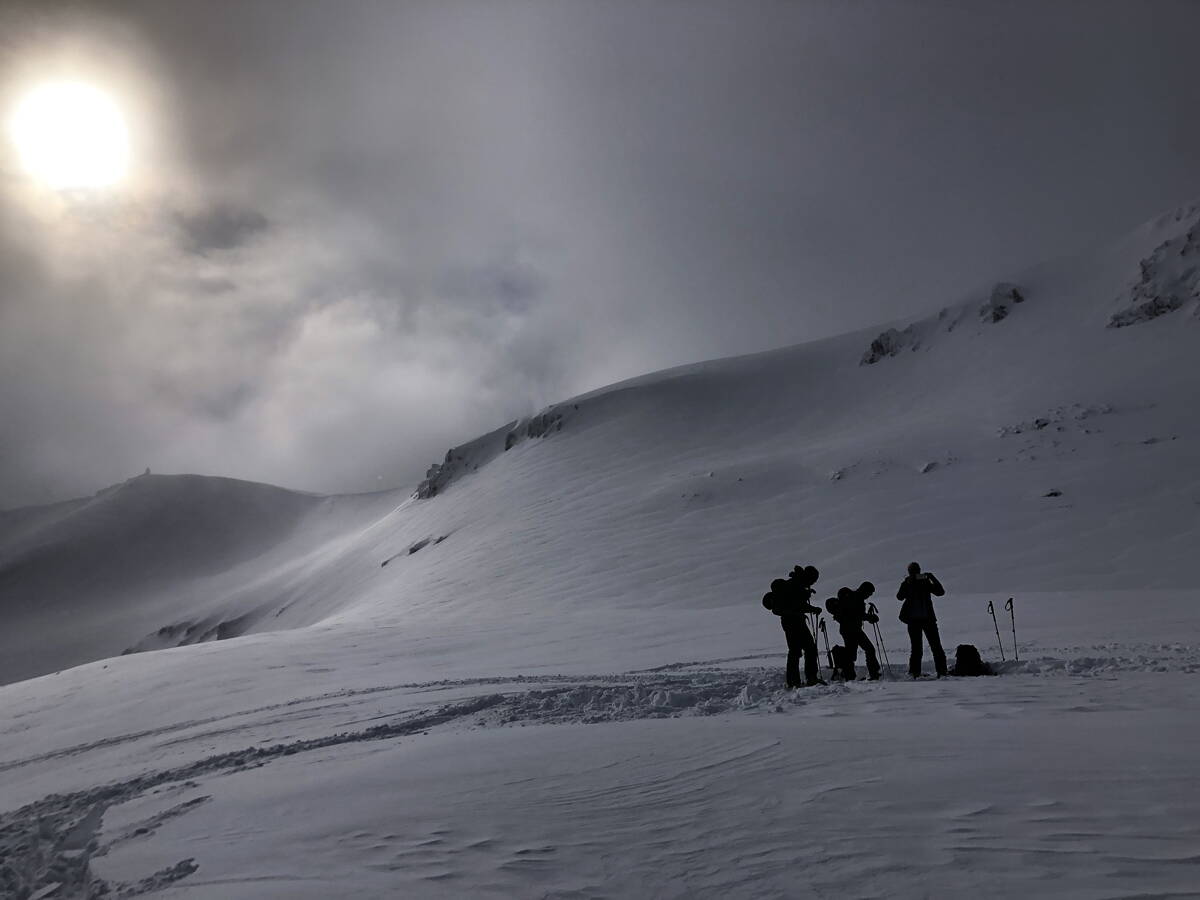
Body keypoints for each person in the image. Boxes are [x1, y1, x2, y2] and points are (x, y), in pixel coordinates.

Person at [764, 565, 826, 688]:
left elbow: (797, 604)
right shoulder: (795, 585)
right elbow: (798, 605)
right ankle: (805, 679)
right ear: (809, 577)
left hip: (792, 621)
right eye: (813, 580)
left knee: (801, 650)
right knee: (804, 649)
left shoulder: (796, 583)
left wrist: (810, 606)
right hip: (793, 621)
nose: (813, 582)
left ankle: (796, 681)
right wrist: (812, 608)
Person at [896, 562, 947, 678]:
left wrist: (907, 583)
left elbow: (899, 597)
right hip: (925, 619)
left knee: (917, 648)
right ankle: (941, 672)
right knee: (934, 647)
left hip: (916, 620)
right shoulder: (922, 582)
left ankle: (915, 673)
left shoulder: (921, 582)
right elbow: (940, 592)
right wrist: (931, 578)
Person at [828, 582, 881, 681]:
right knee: (862, 651)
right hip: (850, 630)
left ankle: (848, 673)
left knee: (855, 653)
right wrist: (870, 617)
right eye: (869, 593)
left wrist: (868, 617)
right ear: (865, 590)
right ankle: (870, 674)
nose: (869, 596)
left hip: (852, 629)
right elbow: (856, 615)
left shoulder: (856, 598)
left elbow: (857, 614)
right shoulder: (855, 598)